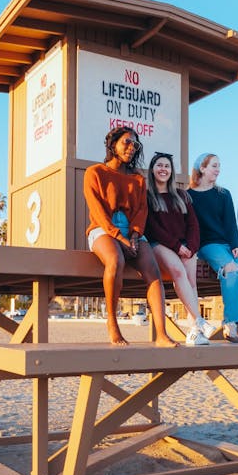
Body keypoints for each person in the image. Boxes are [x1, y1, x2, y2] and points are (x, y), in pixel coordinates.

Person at [83, 125, 177, 347]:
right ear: (113, 144)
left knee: (153, 270)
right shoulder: (95, 172)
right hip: (102, 229)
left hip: (132, 231)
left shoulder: (138, 179)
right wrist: (118, 236)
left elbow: (141, 211)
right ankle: (112, 323)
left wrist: (134, 234)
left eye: (135, 144)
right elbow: (97, 212)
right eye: (127, 142)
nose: (132, 147)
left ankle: (162, 334)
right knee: (116, 260)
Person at [145, 152, 214, 346]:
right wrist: (177, 246)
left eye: (167, 166)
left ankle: (194, 332)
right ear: (152, 170)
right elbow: (152, 227)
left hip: (186, 245)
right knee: (177, 271)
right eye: (159, 165)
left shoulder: (181, 195)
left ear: (171, 171)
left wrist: (191, 247)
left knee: (191, 282)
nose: (163, 169)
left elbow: (193, 223)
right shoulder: (147, 196)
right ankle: (200, 321)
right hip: (159, 244)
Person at [189, 153, 238, 343]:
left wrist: (237, 247)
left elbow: (231, 224)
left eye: (219, 166)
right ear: (202, 168)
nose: (218, 170)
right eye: (214, 166)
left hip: (228, 244)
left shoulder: (223, 194)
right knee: (231, 269)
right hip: (207, 245)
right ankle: (230, 323)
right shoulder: (188, 196)